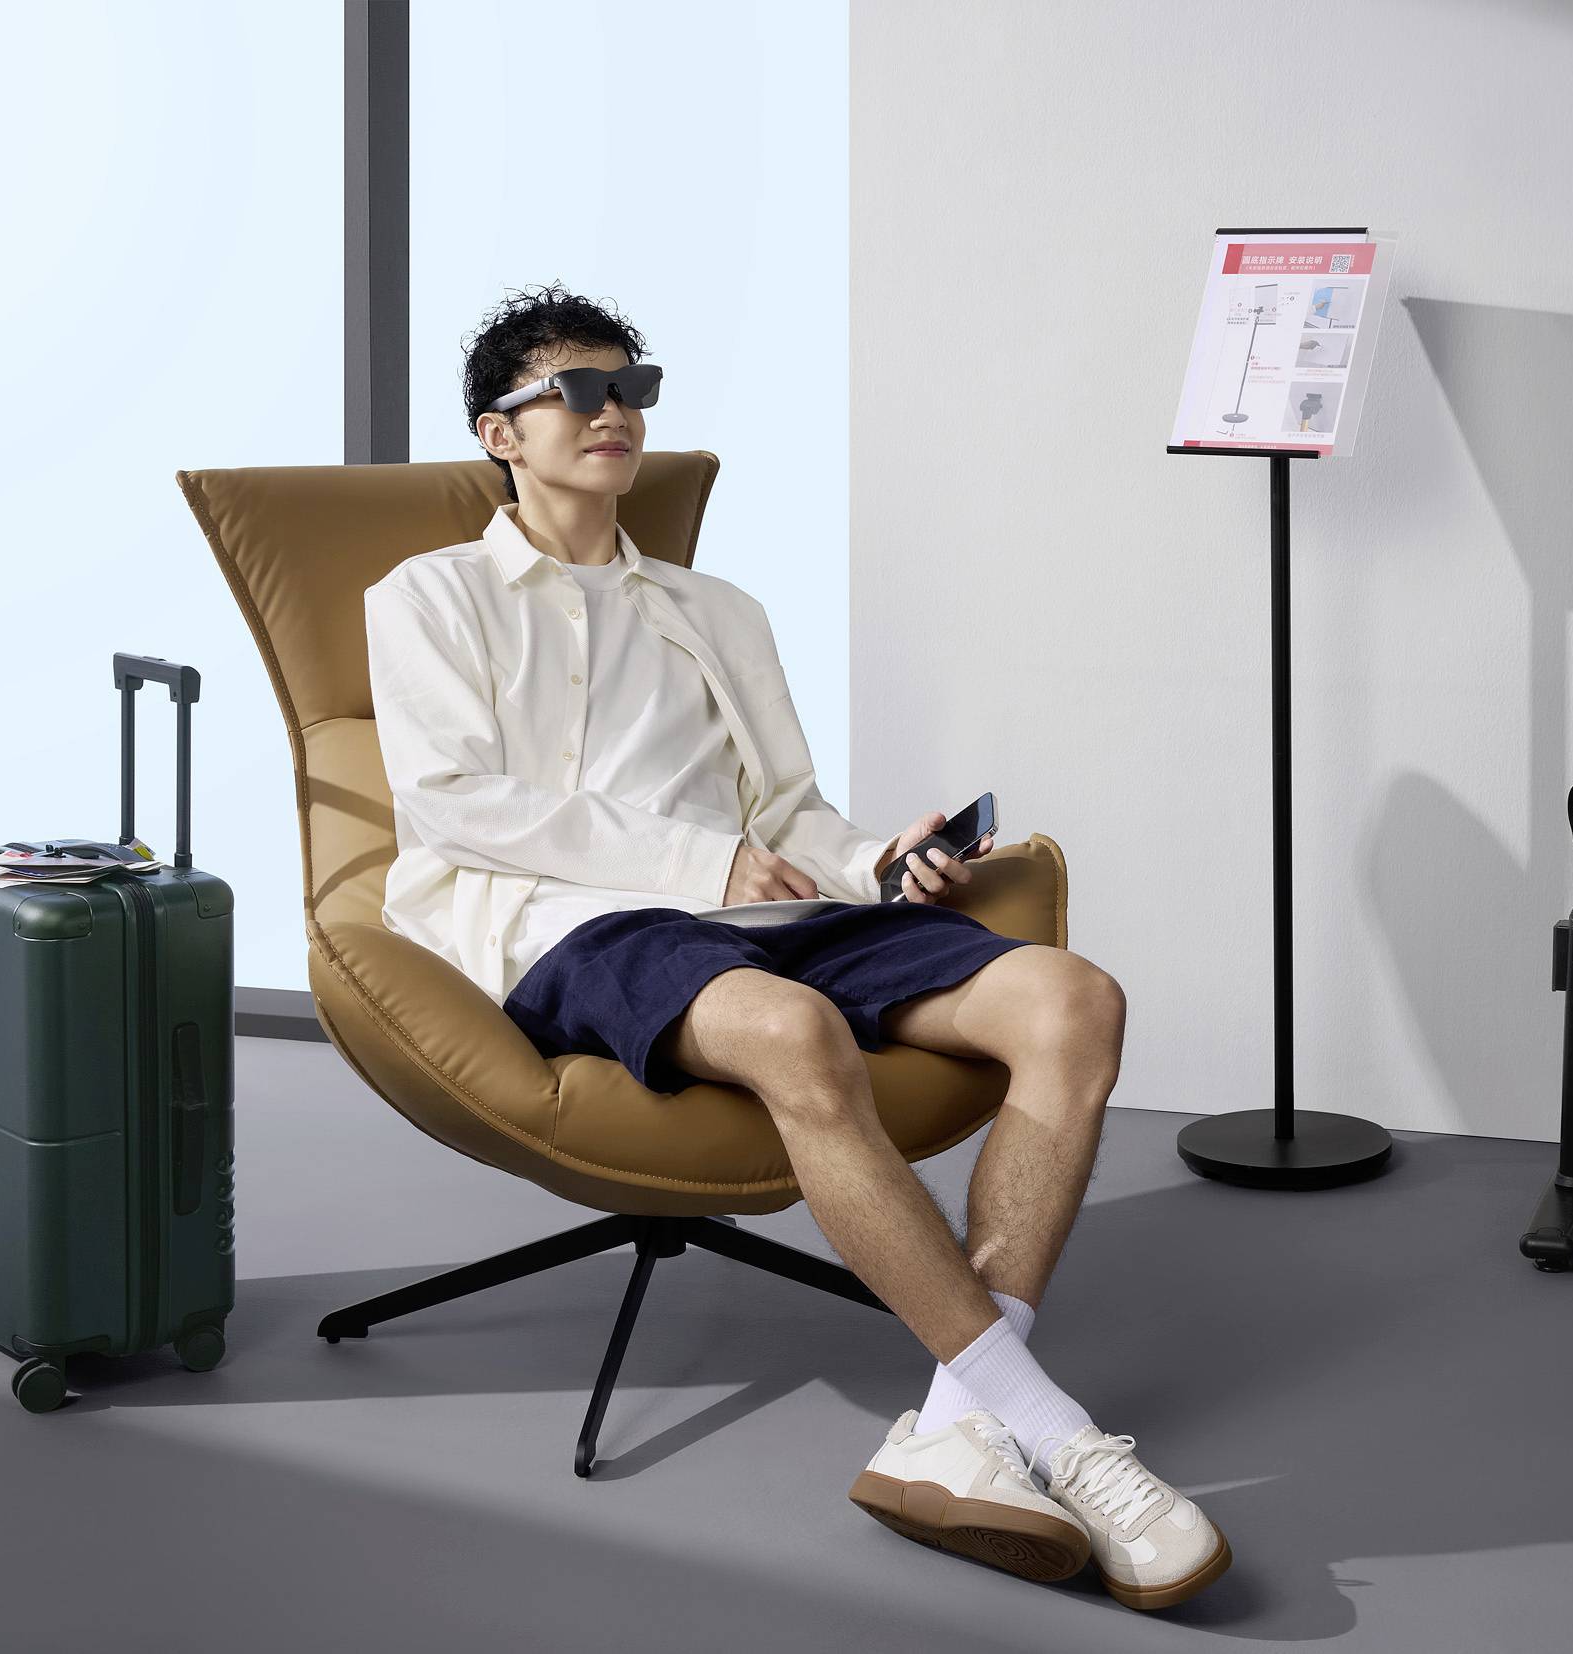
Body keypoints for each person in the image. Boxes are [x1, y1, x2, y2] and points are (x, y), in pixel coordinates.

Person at [361, 284, 1228, 1612]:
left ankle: (960, 1421)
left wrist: (881, 857)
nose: (616, 413)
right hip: (570, 926)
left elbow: (783, 813)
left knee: (1070, 1000)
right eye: (579, 391)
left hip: (762, 914)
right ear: (501, 431)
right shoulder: (431, 595)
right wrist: (693, 863)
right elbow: (453, 801)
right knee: (790, 1029)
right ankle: (1058, 1434)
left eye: (632, 384)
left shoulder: (718, 609)